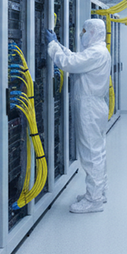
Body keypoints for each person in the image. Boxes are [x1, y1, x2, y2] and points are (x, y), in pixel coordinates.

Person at [46, 19, 111, 213]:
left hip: (90, 108)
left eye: (84, 31)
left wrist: (52, 46)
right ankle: (99, 192)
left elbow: (69, 63)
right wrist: (59, 45)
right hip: (95, 106)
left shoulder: (96, 53)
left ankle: (94, 200)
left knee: (91, 154)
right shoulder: (98, 51)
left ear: (93, 32)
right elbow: (76, 58)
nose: (81, 34)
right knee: (97, 151)